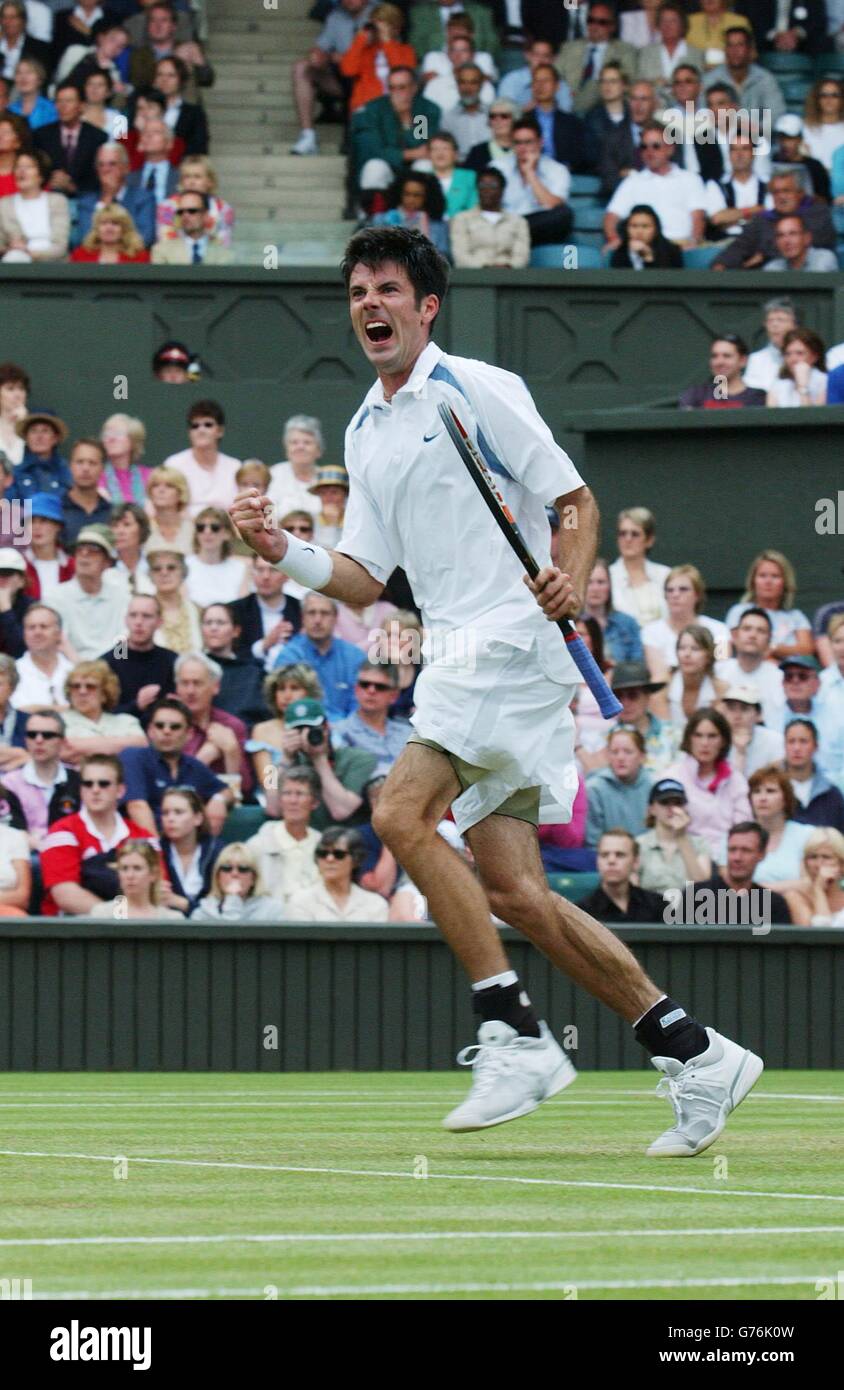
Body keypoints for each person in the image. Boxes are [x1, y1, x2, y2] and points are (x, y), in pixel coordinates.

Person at [231, 224, 764, 1151]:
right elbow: (364, 574)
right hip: (457, 652)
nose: (370, 304)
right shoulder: (365, 426)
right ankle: (693, 1047)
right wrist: (288, 552)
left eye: (388, 289)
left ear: (426, 306)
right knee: (516, 891)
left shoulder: (479, 388)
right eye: (359, 291)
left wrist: (568, 571)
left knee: (399, 814)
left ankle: (513, 1030)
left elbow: (576, 503)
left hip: (513, 642)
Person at [40, 751, 162, 915]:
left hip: (134, 930)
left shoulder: (144, 837)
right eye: (88, 784)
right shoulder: (61, 831)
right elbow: (66, 895)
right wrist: (120, 915)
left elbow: (159, 890)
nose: (95, 790)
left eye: (103, 784)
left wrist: (124, 918)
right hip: (72, 931)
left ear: (120, 790)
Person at [120, 692, 230, 835]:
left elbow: (226, 791)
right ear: (150, 731)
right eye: (160, 726)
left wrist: (219, 800)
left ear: (189, 734)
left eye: (175, 727)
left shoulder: (193, 765)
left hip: (187, 845)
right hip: (145, 846)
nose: (166, 731)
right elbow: (136, 806)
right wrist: (158, 852)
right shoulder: (134, 757)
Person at [289, 0, 374, 158]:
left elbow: (386, 54)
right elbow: (321, 48)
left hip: (373, 82)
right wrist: (318, 56)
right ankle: (308, 136)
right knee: (302, 68)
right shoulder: (336, 16)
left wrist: (343, 58)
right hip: (343, 79)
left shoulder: (380, 13)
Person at [605, 121, 706, 250]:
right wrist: (614, 239)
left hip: (680, 246)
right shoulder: (632, 181)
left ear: (670, 149)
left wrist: (693, 242)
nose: (649, 152)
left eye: (656, 146)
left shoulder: (690, 179)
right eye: (644, 147)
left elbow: (698, 218)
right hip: (643, 248)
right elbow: (611, 217)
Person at [665, 707, 751, 858]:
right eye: (698, 735)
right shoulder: (672, 778)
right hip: (685, 862)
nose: (705, 743)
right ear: (689, 739)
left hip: (726, 862)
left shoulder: (735, 779)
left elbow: (743, 827)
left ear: (723, 741)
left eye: (712, 736)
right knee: (690, 882)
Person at [351, 66, 440, 207]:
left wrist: (405, 116)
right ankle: (371, 216)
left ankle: (421, 216)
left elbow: (420, 144)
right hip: (387, 166)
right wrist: (407, 154)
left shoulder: (423, 109)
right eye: (392, 88)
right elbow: (375, 151)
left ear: (414, 88)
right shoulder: (375, 110)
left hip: (413, 167)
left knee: (425, 165)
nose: (397, 93)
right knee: (374, 167)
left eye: (402, 87)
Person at [712, 168, 836, 268]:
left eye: (786, 191)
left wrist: (763, 255)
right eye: (776, 192)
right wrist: (720, 265)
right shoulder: (763, 219)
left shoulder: (818, 212)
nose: (781, 197)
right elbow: (740, 246)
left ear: (800, 193)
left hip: (812, 267)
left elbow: (812, 243)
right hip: (777, 270)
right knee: (772, 268)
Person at [272, 590, 365, 722]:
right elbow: (285, 705)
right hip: (302, 726)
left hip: (349, 733)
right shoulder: (289, 656)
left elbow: (360, 705)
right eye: (311, 613)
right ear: (302, 617)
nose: (317, 620)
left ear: (336, 617)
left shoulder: (354, 657)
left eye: (325, 613)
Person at [174, 651, 253, 796]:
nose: (190, 691)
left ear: (215, 687)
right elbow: (171, 784)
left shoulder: (231, 725)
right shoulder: (166, 725)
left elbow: (245, 789)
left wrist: (231, 751)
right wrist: (204, 758)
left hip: (224, 805)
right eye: (184, 683)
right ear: (177, 687)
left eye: (197, 683)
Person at [0, 706, 80, 850]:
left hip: (69, 853)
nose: (38, 740)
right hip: (23, 856)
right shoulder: (8, 784)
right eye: (32, 734)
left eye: (47, 735)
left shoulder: (79, 781)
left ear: (62, 741)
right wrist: (44, 847)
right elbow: (10, 832)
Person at [50, 527, 130, 662]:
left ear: (107, 562)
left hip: (113, 668)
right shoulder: (55, 597)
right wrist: (80, 666)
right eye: (79, 550)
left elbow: (124, 635)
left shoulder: (122, 595)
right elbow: (59, 639)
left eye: (93, 550)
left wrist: (116, 666)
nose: (84, 554)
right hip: (70, 669)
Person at [245, 765, 322, 906]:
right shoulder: (256, 845)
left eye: (300, 794)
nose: (293, 801)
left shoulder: (324, 845)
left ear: (315, 802)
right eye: (287, 793)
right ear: (280, 800)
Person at [246, 663, 324, 800]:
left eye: (295, 688)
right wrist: (286, 758)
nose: (287, 696)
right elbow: (268, 783)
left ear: (309, 692)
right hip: (274, 801)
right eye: (281, 689)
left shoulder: (324, 728)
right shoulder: (262, 731)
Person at [690, 821, 793, 924]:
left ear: (761, 854)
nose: (737, 857)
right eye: (732, 850)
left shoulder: (772, 905)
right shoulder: (696, 897)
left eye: (746, 850)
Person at [493, 114, 573, 247]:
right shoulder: (498, 167)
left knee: (564, 214)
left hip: (539, 230)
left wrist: (530, 173)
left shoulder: (558, 170)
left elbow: (552, 205)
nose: (523, 148)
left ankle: (514, 237)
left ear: (540, 142)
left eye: (528, 142)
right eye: (518, 143)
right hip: (506, 224)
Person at [286, 825, 389, 923]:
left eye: (339, 854)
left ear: (355, 860)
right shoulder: (301, 901)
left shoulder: (376, 904)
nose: (329, 859)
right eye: (323, 854)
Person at [724, 551, 813, 659]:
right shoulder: (739, 612)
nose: (768, 581)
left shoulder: (796, 616)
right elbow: (741, 646)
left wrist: (773, 648)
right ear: (753, 581)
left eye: (775, 576)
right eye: (762, 576)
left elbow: (807, 649)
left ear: (785, 582)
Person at [643, 566, 730, 676]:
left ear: (697, 595)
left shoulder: (720, 631)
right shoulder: (651, 632)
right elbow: (658, 676)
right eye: (669, 590)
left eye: (683, 589)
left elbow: (722, 669)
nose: (675, 595)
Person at [99, 592, 176, 716]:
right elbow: (98, 712)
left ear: (159, 622)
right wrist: (136, 705)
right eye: (133, 615)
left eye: (146, 616)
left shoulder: (171, 660)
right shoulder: (109, 661)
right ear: (126, 620)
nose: (138, 622)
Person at [163, 399, 241, 519]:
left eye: (208, 425)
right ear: (189, 432)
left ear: (220, 431)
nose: (201, 430)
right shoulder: (174, 465)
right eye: (195, 426)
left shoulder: (235, 467)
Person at [556, 2, 638, 116]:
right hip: (567, 104)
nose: (594, 26)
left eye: (602, 22)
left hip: (606, 107)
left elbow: (629, 82)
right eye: (591, 20)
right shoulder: (569, 48)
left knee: (594, 85)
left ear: (612, 27)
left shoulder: (625, 51)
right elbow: (554, 75)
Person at [73, 142, 156, 251]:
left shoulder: (143, 198)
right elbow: (85, 238)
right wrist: (107, 197)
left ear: (126, 168)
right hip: (95, 263)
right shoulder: (86, 202)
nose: (106, 169)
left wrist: (112, 247)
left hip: (131, 261)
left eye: (112, 164)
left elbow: (146, 237)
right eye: (101, 165)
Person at [60, 658, 146, 762]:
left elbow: (142, 745)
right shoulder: (58, 721)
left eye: (90, 686)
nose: (82, 691)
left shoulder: (126, 721)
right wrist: (119, 745)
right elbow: (62, 751)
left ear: (105, 693)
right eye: (76, 686)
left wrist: (81, 746)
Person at [636, 777, 712, 892]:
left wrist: (681, 837)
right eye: (664, 802)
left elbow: (701, 887)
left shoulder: (700, 843)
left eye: (678, 803)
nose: (672, 809)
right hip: (650, 908)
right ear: (651, 809)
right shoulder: (638, 845)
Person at [716, 607, 786, 728]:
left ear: (769, 641)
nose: (753, 635)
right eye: (747, 629)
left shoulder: (780, 678)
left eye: (761, 631)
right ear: (735, 636)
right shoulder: (717, 671)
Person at [33, 81, 107, 196]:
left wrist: (72, 187)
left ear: (81, 105)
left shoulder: (98, 137)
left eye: (69, 101)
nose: (63, 106)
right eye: (59, 101)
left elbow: (99, 177)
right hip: (49, 197)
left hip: (84, 200)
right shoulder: (41, 135)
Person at [577, 829, 667, 922]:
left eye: (620, 855)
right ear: (597, 861)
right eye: (604, 855)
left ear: (635, 862)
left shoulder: (659, 906)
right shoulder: (582, 913)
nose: (611, 860)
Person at [339, 3, 416, 114]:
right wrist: (360, 39)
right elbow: (348, 71)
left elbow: (402, 74)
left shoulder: (406, 50)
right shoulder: (364, 50)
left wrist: (387, 42)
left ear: (396, 29)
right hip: (367, 106)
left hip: (396, 106)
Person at [748, 763, 814, 889]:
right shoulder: (736, 836)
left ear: (786, 799)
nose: (762, 798)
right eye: (756, 792)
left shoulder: (807, 836)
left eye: (770, 791)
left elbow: (810, 883)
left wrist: (761, 890)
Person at [158, 784, 221, 916]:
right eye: (165, 813)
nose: (170, 819)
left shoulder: (218, 852)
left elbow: (224, 905)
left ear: (197, 818)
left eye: (178, 812)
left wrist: (183, 904)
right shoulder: (154, 851)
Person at [199, 602, 265, 727]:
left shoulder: (253, 673)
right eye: (208, 623)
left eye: (220, 623)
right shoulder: (191, 668)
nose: (213, 628)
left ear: (236, 631)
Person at [585, 725, 654, 845]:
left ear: (642, 756)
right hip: (607, 858)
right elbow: (592, 842)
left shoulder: (654, 786)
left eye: (628, 752)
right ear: (607, 755)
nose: (620, 758)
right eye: (614, 752)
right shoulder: (594, 789)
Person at [332, 660, 412, 763]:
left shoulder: (408, 735)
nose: (371, 691)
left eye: (380, 687)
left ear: (394, 696)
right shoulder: (339, 732)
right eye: (365, 684)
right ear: (356, 690)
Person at [702, 25, 785, 123]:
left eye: (740, 45)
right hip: (717, 134)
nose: (735, 50)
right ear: (725, 50)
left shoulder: (764, 79)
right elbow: (701, 113)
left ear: (750, 49)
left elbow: (776, 114)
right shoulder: (711, 79)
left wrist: (750, 129)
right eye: (730, 45)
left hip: (756, 135)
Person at [230, 555, 302, 665]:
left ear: (287, 575)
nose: (266, 576)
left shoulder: (300, 609)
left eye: (273, 570)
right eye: (260, 570)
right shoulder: (235, 611)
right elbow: (232, 654)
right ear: (252, 574)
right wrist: (265, 644)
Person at [0, 148, 69, 261]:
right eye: (18, 167)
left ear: (41, 174)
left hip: (53, 263)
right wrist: (9, 248)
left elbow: (61, 246)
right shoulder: (4, 204)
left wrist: (31, 253)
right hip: (15, 259)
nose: (21, 171)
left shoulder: (57, 201)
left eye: (28, 167)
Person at [90, 838, 184, 919]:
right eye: (124, 868)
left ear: (153, 874)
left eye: (137, 868)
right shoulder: (103, 914)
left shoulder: (170, 919)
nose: (130, 875)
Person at [154, 154, 234, 247]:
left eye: (197, 177)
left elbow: (223, 244)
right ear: (181, 181)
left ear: (210, 181)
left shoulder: (223, 209)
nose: (191, 182)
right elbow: (165, 241)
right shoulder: (167, 207)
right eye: (187, 177)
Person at [608, 505, 670, 626]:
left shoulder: (666, 575)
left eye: (635, 534)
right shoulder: (607, 577)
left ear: (649, 540)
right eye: (622, 533)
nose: (628, 539)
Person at [190, 842, 280, 923]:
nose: (234, 873)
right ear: (217, 877)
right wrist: (233, 898)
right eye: (227, 868)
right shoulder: (202, 913)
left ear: (253, 878)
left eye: (243, 869)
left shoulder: (272, 911)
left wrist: (233, 898)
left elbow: (236, 937)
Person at [522, 62, 586, 170]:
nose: (540, 85)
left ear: (557, 86)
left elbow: (578, 157)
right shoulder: (523, 120)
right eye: (536, 81)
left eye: (545, 81)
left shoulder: (572, 122)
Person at [784, 717, 844, 832]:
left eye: (803, 741)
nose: (796, 748)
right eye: (791, 741)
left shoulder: (831, 794)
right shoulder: (772, 790)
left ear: (815, 746)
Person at [373, 168, 450, 257]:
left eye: (417, 195)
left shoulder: (439, 225)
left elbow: (444, 257)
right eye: (407, 194)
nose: (411, 199)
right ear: (399, 193)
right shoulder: (380, 220)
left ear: (428, 197)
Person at [665, 624, 730, 728]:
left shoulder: (722, 689)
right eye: (682, 648)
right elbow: (662, 730)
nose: (687, 654)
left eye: (695, 649)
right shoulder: (664, 685)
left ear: (708, 656)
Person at [581, 558, 644, 664]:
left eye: (601, 582)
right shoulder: (571, 623)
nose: (595, 588)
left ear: (610, 586)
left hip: (621, 680)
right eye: (589, 582)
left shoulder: (628, 623)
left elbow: (638, 666)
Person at [184, 506, 250, 608]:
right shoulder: (184, 565)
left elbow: (243, 605)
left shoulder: (241, 567)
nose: (207, 532)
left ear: (227, 534)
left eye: (215, 527)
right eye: (201, 527)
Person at [637, 3, 706, 101]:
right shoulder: (646, 53)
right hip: (654, 107)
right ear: (658, 25)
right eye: (663, 21)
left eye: (673, 21)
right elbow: (641, 83)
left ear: (682, 25)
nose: (667, 25)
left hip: (687, 107)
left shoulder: (696, 54)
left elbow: (698, 88)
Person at [11, 602, 72, 711]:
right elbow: (17, 713)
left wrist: (36, 708)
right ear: (24, 634)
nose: (37, 632)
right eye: (31, 627)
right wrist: (68, 710)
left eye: (44, 626)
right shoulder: (13, 672)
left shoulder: (73, 669)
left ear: (58, 633)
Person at [6, 404, 71, 504]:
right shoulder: (15, 474)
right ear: (26, 438)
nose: (39, 436)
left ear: (55, 438)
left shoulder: (67, 472)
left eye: (45, 431)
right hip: (25, 519)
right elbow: (11, 516)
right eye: (33, 431)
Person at [151, 188, 233, 264]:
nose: (185, 215)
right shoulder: (162, 251)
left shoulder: (225, 255)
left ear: (205, 214)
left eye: (192, 211)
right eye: (181, 211)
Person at [266, 414, 323, 522]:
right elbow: (267, 516)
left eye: (307, 442)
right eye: (294, 442)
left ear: (319, 450)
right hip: (280, 537)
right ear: (286, 449)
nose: (300, 447)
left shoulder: (328, 480)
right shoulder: (272, 475)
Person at [721, 683, 785, 776]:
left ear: (759, 714)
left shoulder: (776, 741)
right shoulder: (715, 739)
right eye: (731, 708)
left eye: (744, 709)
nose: (737, 716)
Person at [146, 547, 201, 654]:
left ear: (183, 573)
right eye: (157, 569)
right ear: (150, 575)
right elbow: (120, 640)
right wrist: (121, 664)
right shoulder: (138, 610)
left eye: (171, 568)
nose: (164, 573)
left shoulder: (198, 610)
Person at [785, 828, 844, 926]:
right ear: (805, 863)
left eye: (826, 857)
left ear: (841, 864)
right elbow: (818, 936)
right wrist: (818, 890)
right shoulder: (796, 896)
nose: (818, 864)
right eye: (813, 857)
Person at [20, 492, 73, 600]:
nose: (36, 527)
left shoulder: (73, 566)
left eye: (44, 521)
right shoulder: (18, 566)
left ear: (57, 526)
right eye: (31, 521)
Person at [153, 53, 208, 156]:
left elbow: (200, 148)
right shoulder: (139, 105)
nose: (164, 80)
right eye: (160, 74)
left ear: (181, 80)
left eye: (171, 75)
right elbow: (121, 138)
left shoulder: (195, 114)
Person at [61, 437, 111, 545]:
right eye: (80, 462)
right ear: (70, 466)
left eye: (92, 463)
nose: (85, 468)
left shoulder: (112, 513)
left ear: (102, 468)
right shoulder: (56, 509)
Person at [770, 112, 830, 202]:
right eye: (781, 138)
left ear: (800, 139)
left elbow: (825, 199)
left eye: (790, 139)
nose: (785, 144)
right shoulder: (772, 161)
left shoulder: (815, 166)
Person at [743, 296, 799, 392]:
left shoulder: (805, 356)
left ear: (794, 325)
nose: (774, 325)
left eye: (780, 320)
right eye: (770, 320)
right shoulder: (756, 359)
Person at [69, 200, 149, 262]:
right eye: (104, 223)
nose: (109, 228)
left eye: (115, 223)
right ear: (97, 228)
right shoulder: (80, 255)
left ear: (124, 229)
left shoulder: (139, 257)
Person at [608, 203, 684, 268]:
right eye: (634, 226)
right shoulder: (620, 252)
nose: (639, 231)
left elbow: (669, 281)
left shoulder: (672, 251)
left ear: (656, 229)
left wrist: (648, 257)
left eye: (645, 226)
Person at [99, 412, 149, 506]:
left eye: (118, 434)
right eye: (107, 434)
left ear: (133, 440)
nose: (111, 438)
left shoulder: (149, 476)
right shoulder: (96, 476)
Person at [762, 213, 839, 273]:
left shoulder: (823, 258)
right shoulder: (772, 268)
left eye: (793, 234)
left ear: (807, 238)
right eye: (780, 235)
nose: (786, 241)